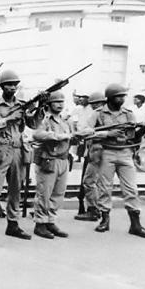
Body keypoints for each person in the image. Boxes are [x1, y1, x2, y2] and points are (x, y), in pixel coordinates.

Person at [0, 70, 37, 243]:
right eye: (8, 84)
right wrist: (9, 119)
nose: (12, 87)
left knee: (16, 189)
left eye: (14, 84)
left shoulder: (22, 104)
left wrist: (40, 108)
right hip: (0, 149)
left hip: (18, 149)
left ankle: (13, 224)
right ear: (2, 86)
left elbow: (34, 124)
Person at [89, 83, 145, 238]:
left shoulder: (129, 114)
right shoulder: (99, 114)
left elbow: (133, 137)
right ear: (110, 98)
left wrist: (143, 129)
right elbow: (86, 132)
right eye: (119, 96)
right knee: (105, 187)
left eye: (123, 96)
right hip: (106, 152)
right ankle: (104, 220)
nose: (122, 99)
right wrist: (108, 134)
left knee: (131, 189)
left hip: (125, 153)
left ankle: (135, 224)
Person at [31, 91, 91, 239]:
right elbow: (37, 134)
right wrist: (58, 136)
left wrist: (79, 137)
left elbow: (72, 137)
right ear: (49, 104)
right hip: (48, 160)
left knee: (58, 194)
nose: (60, 104)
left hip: (63, 160)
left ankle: (50, 221)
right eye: (56, 102)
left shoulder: (66, 120)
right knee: (44, 194)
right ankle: (40, 224)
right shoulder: (44, 119)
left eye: (62, 102)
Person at [74, 91, 107, 221]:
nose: (94, 106)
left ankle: (93, 210)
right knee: (99, 182)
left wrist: (78, 135)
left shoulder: (96, 113)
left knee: (88, 181)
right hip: (105, 151)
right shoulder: (109, 114)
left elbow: (87, 130)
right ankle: (98, 209)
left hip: (96, 151)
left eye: (96, 103)